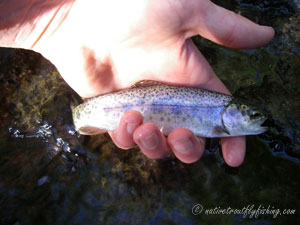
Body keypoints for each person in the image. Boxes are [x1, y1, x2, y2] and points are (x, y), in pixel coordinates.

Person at [0, 0, 274, 165]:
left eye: (253, 115)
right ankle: (79, 116)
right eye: (251, 115)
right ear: (233, 115)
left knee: (146, 134)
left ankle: (81, 117)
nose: (256, 119)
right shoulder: (218, 119)